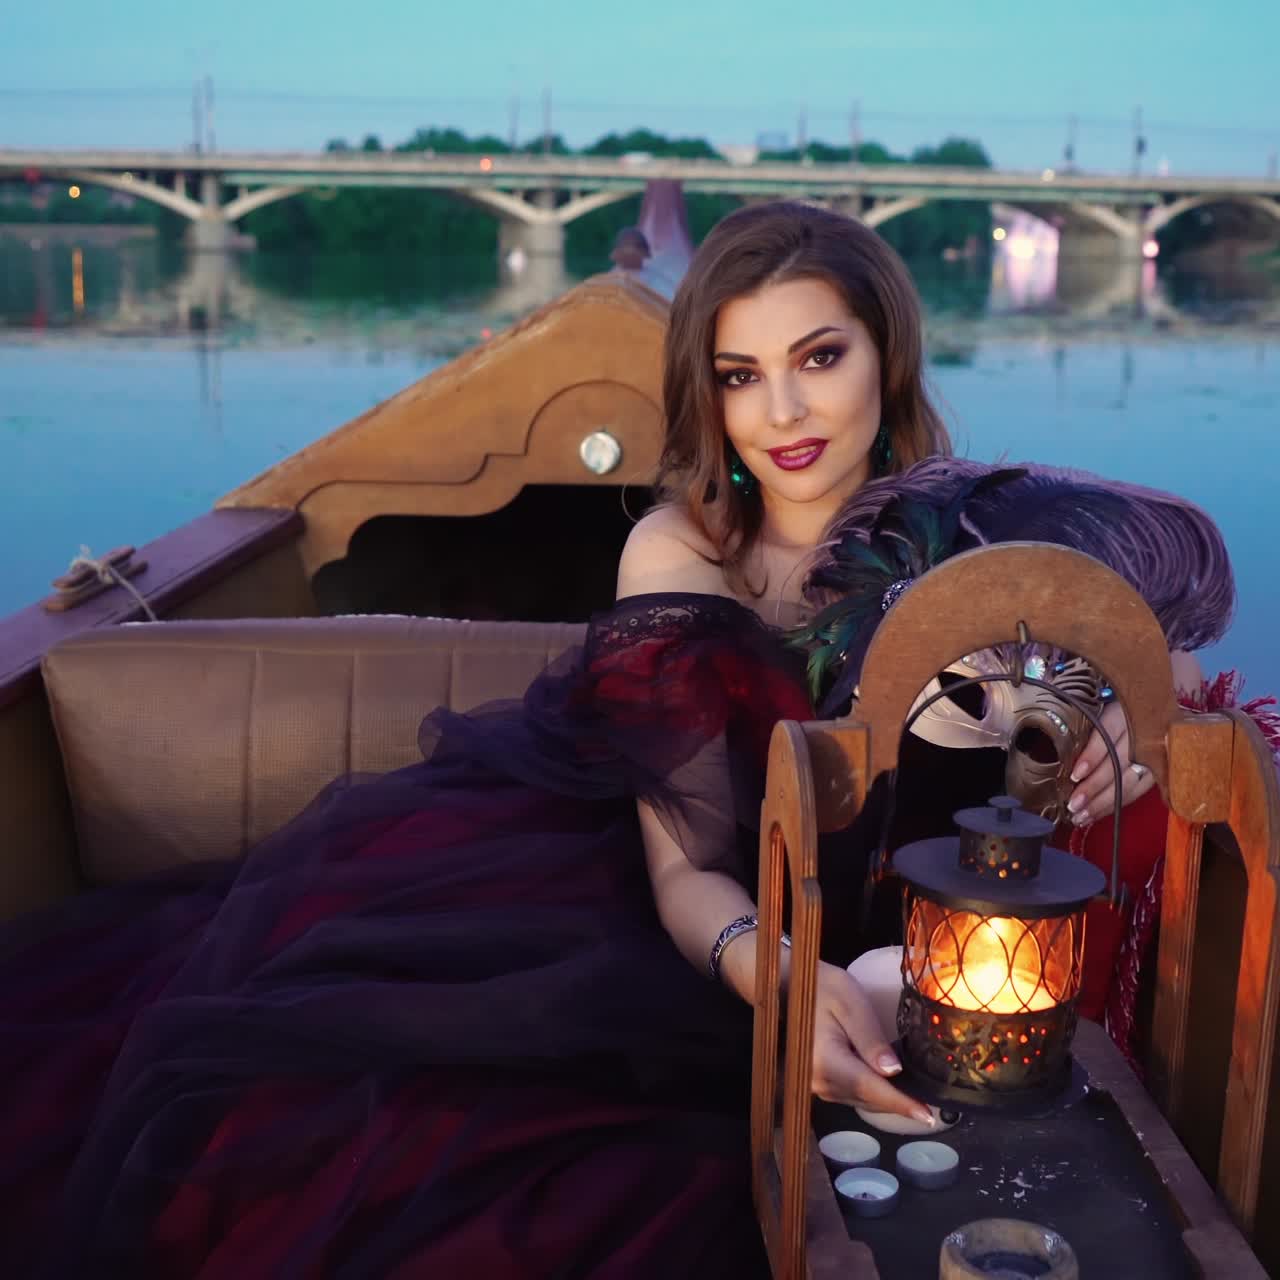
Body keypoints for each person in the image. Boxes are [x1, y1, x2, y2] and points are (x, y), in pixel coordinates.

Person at [0, 202, 1233, 1277]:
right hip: (673, 922)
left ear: (887, 355)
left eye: (818, 356)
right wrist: (777, 979)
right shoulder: (679, 550)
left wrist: (1123, 714)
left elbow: (1155, 649)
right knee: (442, 1163)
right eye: (738, 375)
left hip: (904, 942)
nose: (782, 412)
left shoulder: (968, 533)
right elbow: (682, 867)